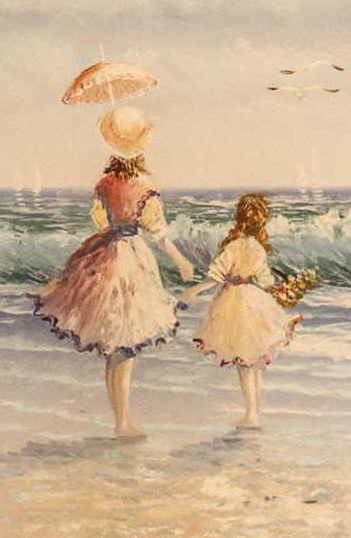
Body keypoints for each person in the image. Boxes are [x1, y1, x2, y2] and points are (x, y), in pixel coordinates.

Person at [33, 106, 195, 438]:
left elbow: (99, 222)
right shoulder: (145, 187)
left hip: (106, 254)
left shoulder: (104, 185)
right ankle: (122, 422)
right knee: (126, 345)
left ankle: (120, 418)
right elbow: (158, 233)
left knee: (114, 347)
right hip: (131, 260)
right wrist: (181, 262)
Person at [182, 193, 300, 429]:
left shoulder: (234, 247)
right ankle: (254, 413)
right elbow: (265, 281)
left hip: (234, 303)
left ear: (239, 218)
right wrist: (284, 290)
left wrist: (194, 290)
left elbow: (215, 276)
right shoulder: (258, 249)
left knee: (244, 362)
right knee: (254, 364)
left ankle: (251, 416)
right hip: (253, 300)